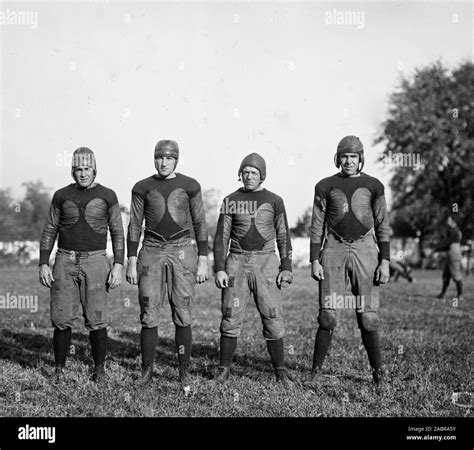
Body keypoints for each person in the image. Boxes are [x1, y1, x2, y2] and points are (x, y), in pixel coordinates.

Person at [308, 136, 390, 388]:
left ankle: (378, 374)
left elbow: (382, 224)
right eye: (344, 156)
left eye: (353, 156)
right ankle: (315, 372)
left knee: (368, 317)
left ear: (361, 158)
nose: (349, 161)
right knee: (328, 315)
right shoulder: (325, 185)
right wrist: (314, 259)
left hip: (365, 248)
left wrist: (385, 259)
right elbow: (316, 225)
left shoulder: (374, 185)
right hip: (333, 247)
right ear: (337, 158)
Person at [126, 140, 208, 389]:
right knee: (149, 311)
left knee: (182, 311)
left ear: (176, 159)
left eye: (168, 158)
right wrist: (131, 260)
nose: (163, 162)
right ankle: (146, 370)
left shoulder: (190, 185)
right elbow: (134, 224)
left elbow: (200, 222)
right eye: (159, 157)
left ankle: (184, 372)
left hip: (182, 248)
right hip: (151, 249)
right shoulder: (142, 187)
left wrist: (203, 259)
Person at [39, 147, 124, 383]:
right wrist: (44, 263)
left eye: (87, 169)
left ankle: (99, 369)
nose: (83, 173)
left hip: (96, 261)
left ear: (94, 169)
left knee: (97, 318)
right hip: (65, 259)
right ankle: (59, 369)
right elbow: (50, 229)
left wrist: (118, 264)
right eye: (78, 169)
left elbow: (117, 231)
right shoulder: (61, 195)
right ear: (72, 171)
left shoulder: (108, 195)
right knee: (61, 317)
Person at [213, 153, 294, 387]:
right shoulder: (230, 200)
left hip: (266, 262)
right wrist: (220, 268)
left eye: (254, 173)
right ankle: (223, 370)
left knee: (272, 317)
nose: (249, 176)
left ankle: (280, 371)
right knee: (230, 316)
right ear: (240, 174)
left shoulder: (275, 200)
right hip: (236, 261)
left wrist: (286, 267)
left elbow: (283, 235)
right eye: (245, 172)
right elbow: (221, 237)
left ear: (262, 176)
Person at [436, 215, 463, 301]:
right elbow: (447, 243)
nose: (447, 222)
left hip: (454, 254)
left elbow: (447, 242)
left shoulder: (455, 231)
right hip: (450, 253)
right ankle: (443, 294)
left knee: (456, 274)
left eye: (448, 220)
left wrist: (436, 248)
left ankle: (460, 295)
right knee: (446, 274)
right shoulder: (452, 230)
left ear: (453, 221)